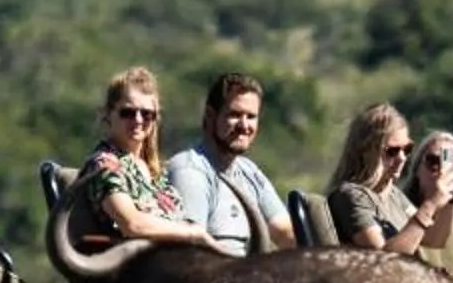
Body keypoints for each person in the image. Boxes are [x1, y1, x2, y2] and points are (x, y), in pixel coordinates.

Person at [77, 66, 218, 248]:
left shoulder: (154, 172)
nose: (138, 120)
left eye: (147, 114)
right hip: (137, 268)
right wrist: (193, 233)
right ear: (108, 114)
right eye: (127, 112)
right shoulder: (104, 165)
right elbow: (132, 224)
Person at [163, 70, 292, 251]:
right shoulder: (190, 171)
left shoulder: (249, 172)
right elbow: (189, 255)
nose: (244, 126)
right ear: (210, 116)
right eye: (235, 115)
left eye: (251, 117)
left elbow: (286, 234)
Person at [326, 102, 435, 254]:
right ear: (367, 151)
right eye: (392, 151)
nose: (402, 158)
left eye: (407, 149)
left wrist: (448, 198)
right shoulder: (351, 196)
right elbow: (384, 260)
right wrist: (429, 206)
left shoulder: (394, 195)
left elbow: (436, 244)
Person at [400, 129, 453, 278]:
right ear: (417, 169)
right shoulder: (401, 207)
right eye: (433, 161)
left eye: (450, 163)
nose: (442, 171)